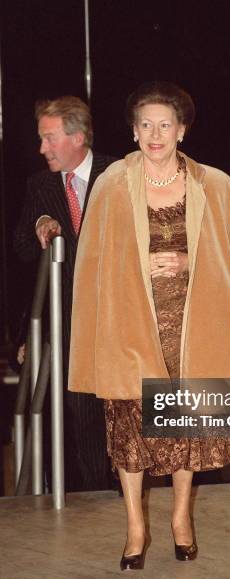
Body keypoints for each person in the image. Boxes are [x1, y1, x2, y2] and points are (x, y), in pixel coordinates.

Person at [68, 81, 230, 570]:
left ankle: (181, 518)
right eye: (145, 124)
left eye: (165, 124)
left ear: (182, 130)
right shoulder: (110, 184)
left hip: (192, 329)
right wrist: (132, 268)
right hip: (130, 326)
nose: (155, 133)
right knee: (129, 429)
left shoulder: (215, 185)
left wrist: (192, 259)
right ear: (132, 131)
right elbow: (91, 264)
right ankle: (134, 527)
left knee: (184, 428)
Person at [14, 96, 115, 492]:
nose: (42, 149)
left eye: (49, 138)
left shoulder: (119, 172)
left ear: (77, 136)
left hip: (119, 318)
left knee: (124, 413)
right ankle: (98, 499)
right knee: (83, 415)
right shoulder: (39, 185)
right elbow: (22, 246)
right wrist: (40, 221)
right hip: (70, 325)